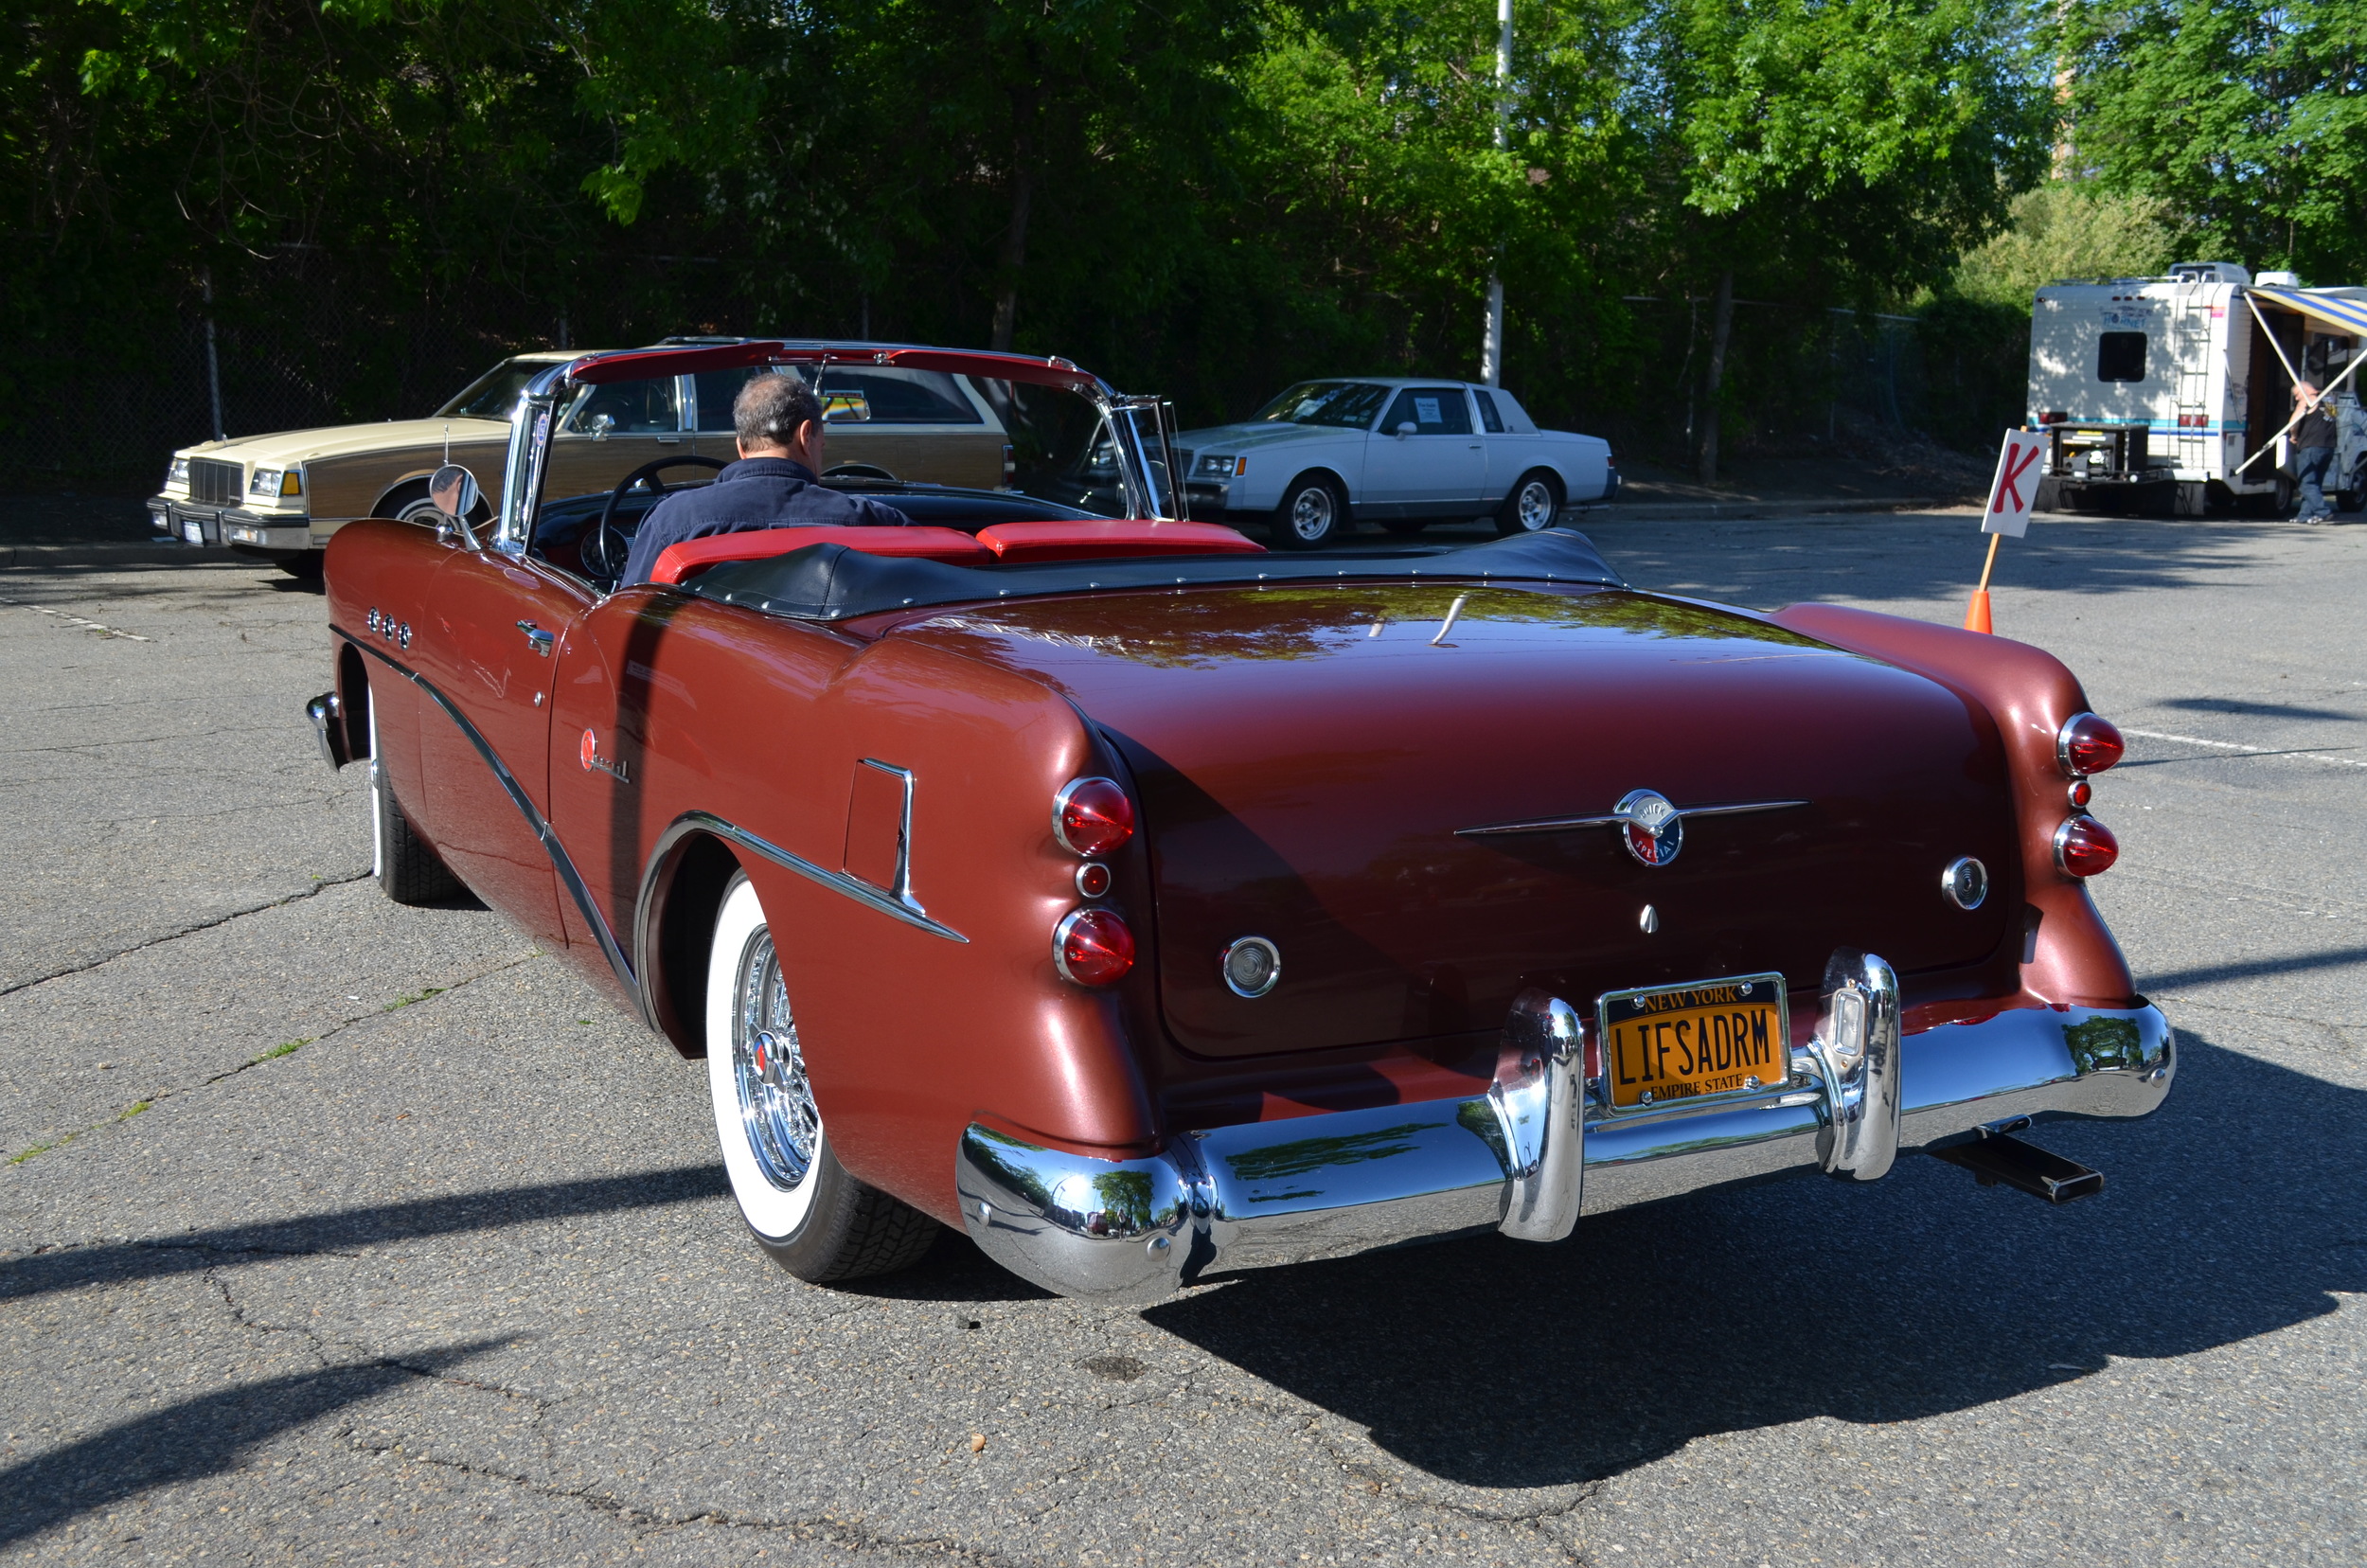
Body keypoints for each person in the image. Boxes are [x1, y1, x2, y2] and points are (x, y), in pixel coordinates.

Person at [619, 373, 910, 583]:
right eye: (823, 440)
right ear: (806, 435)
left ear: (741, 446)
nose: (822, 448)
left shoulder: (673, 520)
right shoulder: (875, 522)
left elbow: (630, 615)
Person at [2289, 380, 2337, 525]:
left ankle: (2323, 512)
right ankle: (2304, 515)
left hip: (2310, 446)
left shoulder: (2306, 400)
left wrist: (2294, 435)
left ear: (2304, 390)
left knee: (2306, 483)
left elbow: (2293, 422)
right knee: (2314, 483)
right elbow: (2332, 419)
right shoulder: (2328, 401)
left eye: (2296, 394)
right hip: (2328, 447)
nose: (2296, 398)